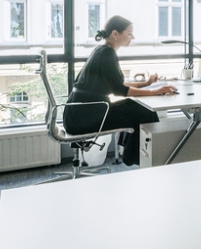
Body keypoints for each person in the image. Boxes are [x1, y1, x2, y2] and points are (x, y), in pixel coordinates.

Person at [62, 15, 176, 166]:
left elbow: (115, 84)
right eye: (129, 33)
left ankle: (133, 154)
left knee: (136, 108)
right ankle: (142, 157)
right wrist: (154, 92)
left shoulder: (101, 51)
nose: (132, 37)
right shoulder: (107, 54)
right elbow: (120, 90)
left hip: (78, 115)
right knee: (144, 111)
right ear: (115, 34)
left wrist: (146, 83)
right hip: (85, 117)